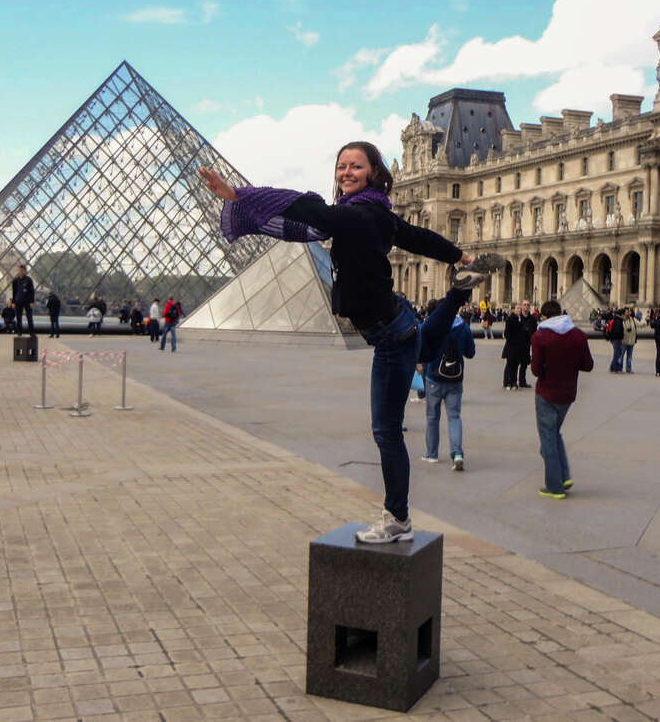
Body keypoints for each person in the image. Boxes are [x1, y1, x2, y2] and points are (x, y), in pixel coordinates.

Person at [200, 141, 501, 543]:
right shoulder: (377, 212)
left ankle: (398, 519)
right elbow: (417, 237)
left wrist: (241, 195)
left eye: (355, 166)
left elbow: (307, 208)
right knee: (424, 349)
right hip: (398, 321)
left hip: (390, 333)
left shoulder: (356, 215)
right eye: (341, 165)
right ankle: (461, 292)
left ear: (374, 173)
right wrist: (459, 256)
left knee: (387, 431)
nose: (346, 172)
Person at [530, 300, 594, 499]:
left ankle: (555, 486)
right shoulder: (578, 335)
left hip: (547, 393)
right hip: (567, 395)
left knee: (548, 439)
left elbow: (535, 370)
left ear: (545, 317)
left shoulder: (540, 336)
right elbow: (588, 365)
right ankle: (564, 475)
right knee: (554, 433)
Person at [421, 305, 475, 471]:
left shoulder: (430, 325)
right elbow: (470, 353)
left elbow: (421, 348)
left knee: (432, 417)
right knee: (454, 417)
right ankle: (457, 454)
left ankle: (432, 454)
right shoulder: (463, 327)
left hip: (433, 377)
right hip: (455, 378)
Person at [502, 302, 531, 389]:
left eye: (519, 308)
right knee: (510, 365)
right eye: (517, 308)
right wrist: (514, 341)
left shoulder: (519, 318)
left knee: (514, 365)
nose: (519, 310)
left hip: (518, 347)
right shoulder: (510, 319)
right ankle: (508, 382)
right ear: (513, 309)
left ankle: (513, 382)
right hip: (512, 347)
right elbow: (507, 333)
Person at [11, 264, 35, 335]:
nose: (20, 272)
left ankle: (31, 332)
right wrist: (13, 302)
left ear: (25, 271)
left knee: (29, 317)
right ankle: (19, 332)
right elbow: (14, 292)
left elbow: (32, 291)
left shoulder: (29, 280)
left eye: (21, 270)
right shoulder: (15, 280)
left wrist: (32, 301)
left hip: (27, 301)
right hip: (18, 301)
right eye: (19, 270)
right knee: (18, 318)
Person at [620, 308, 638, 373]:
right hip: (624, 341)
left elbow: (639, 323)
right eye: (627, 312)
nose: (628, 313)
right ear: (624, 313)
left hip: (631, 341)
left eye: (628, 311)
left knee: (629, 357)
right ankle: (619, 368)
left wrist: (644, 323)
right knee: (621, 356)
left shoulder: (632, 319)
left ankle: (628, 369)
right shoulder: (621, 320)